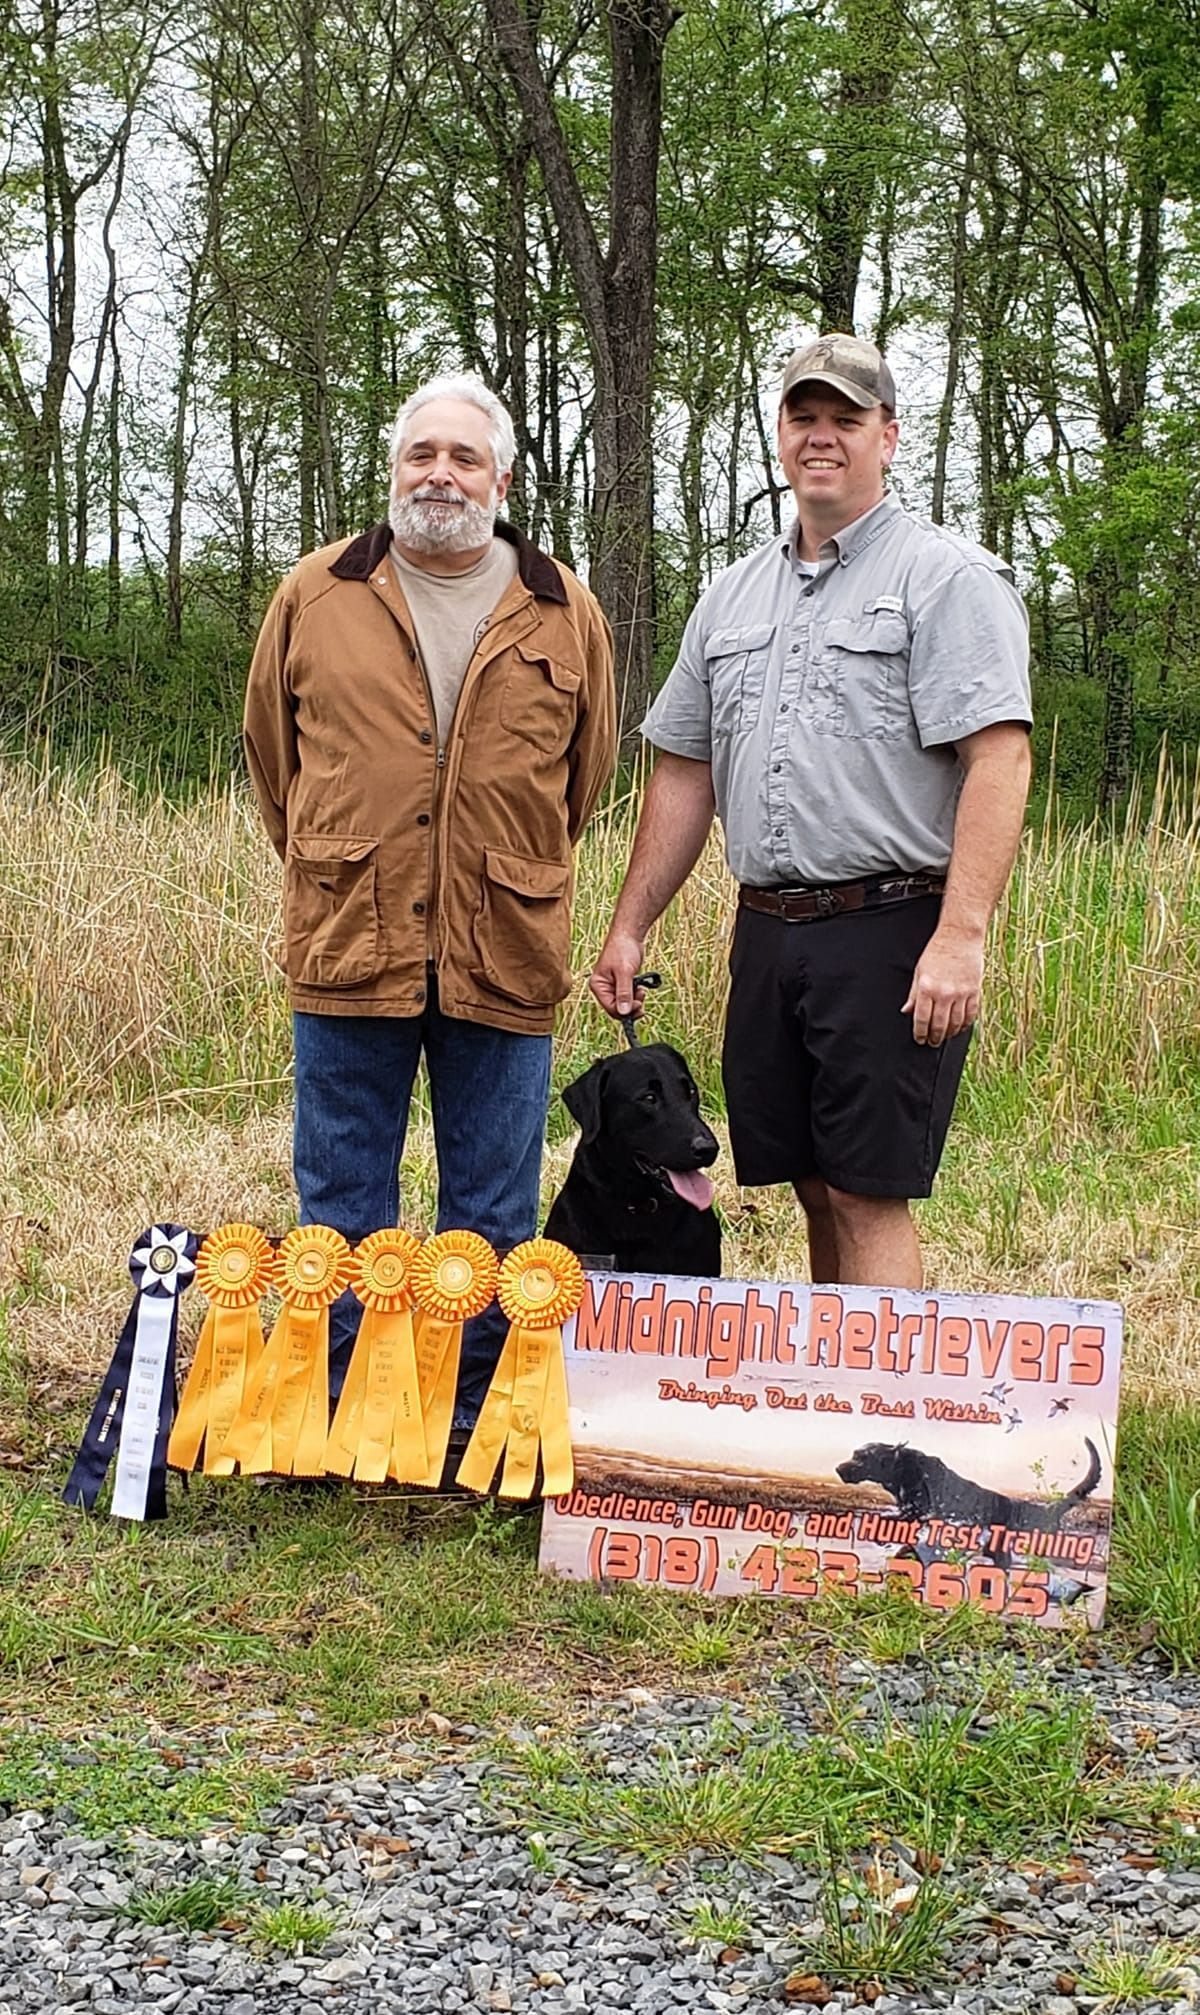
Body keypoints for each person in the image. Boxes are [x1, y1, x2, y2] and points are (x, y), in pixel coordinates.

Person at [591, 333, 1031, 1290]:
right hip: (769, 930)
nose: (821, 436)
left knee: (870, 1190)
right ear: (781, 435)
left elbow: (1000, 757)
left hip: (891, 927)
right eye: (804, 416)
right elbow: (682, 773)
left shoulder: (947, 580)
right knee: (812, 1188)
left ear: (890, 436)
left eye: (846, 418)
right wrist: (630, 927)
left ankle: (887, 1426)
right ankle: (828, 1410)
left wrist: (961, 935)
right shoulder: (732, 593)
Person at [245, 371, 617, 1428]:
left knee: (492, 1211)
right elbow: (277, 766)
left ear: (502, 476)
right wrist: (345, 858)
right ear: (394, 470)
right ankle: (348, 1409)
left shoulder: (561, 604)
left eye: (464, 456)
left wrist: (494, 865)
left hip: (504, 947)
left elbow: (580, 784)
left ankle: (467, 1417)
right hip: (348, 939)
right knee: (343, 1202)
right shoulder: (316, 593)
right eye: (423, 454)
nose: (441, 474)